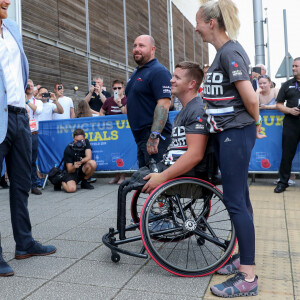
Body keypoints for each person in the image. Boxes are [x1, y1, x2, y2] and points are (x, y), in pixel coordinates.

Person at [195, 0, 265, 297]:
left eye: (198, 21)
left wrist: (257, 122)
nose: (195, 27)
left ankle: (247, 276)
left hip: (236, 132)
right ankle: (242, 258)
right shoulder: (223, 53)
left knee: (235, 202)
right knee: (241, 201)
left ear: (212, 22)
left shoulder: (230, 52)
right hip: (230, 133)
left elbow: (251, 98)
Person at [0, 2, 56, 277]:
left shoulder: (11, 28)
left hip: (20, 116)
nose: (7, 2)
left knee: (22, 183)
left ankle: (24, 243)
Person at [142, 61, 209, 193]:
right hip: (170, 167)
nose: (171, 80)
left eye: (177, 78)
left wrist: (161, 177)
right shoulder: (184, 111)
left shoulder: (197, 110)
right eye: (173, 76)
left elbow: (195, 154)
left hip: (187, 175)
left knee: (129, 185)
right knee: (134, 179)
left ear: (192, 84)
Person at [125, 35, 172, 168]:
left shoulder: (159, 71)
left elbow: (164, 104)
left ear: (152, 49)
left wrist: (155, 135)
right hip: (140, 138)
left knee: (159, 184)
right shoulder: (136, 73)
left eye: (141, 46)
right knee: (146, 182)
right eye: (135, 46)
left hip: (154, 139)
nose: (136, 49)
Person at [274, 57, 300, 193]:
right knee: (287, 155)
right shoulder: (287, 84)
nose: (293, 68)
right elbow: (278, 105)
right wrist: (290, 110)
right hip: (292, 124)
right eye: (293, 66)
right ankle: (283, 182)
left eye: (296, 66)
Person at [99, 80, 127, 184]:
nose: (117, 90)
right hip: (111, 132)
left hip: (124, 132)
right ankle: (116, 176)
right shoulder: (108, 100)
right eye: (115, 88)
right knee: (113, 154)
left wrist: (119, 104)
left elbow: (127, 113)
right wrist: (105, 121)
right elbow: (101, 112)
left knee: (122, 153)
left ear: (123, 89)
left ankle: (123, 176)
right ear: (112, 89)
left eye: (119, 88)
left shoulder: (126, 100)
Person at [61, 128, 97, 193]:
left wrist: (81, 161)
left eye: (81, 140)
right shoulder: (68, 149)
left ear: (84, 138)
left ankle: (84, 181)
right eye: (77, 141)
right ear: (73, 138)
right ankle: (62, 181)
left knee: (92, 163)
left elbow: (89, 157)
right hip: (71, 172)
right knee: (71, 190)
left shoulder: (86, 142)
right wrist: (74, 166)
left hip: (81, 168)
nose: (79, 143)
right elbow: (69, 169)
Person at [25, 79, 44, 195]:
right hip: (21, 133)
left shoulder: (38, 102)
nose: (29, 87)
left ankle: (33, 185)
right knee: (21, 160)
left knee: (32, 160)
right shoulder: (18, 100)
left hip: (33, 133)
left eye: (31, 85)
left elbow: (38, 111)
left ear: (34, 88)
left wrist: (27, 102)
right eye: (27, 85)